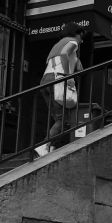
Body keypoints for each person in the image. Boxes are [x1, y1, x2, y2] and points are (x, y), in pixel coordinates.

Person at [35, 22, 85, 156]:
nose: (82, 40)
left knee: (58, 117)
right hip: (57, 80)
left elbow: (61, 57)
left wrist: (75, 61)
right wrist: (69, 76)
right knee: (63, 120)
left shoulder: (57, 45)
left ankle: (52, 147)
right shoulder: (73, 42)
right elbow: (64, 54)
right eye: (82, 36)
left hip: (45, 81)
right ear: (77, 33)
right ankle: (44, 146)